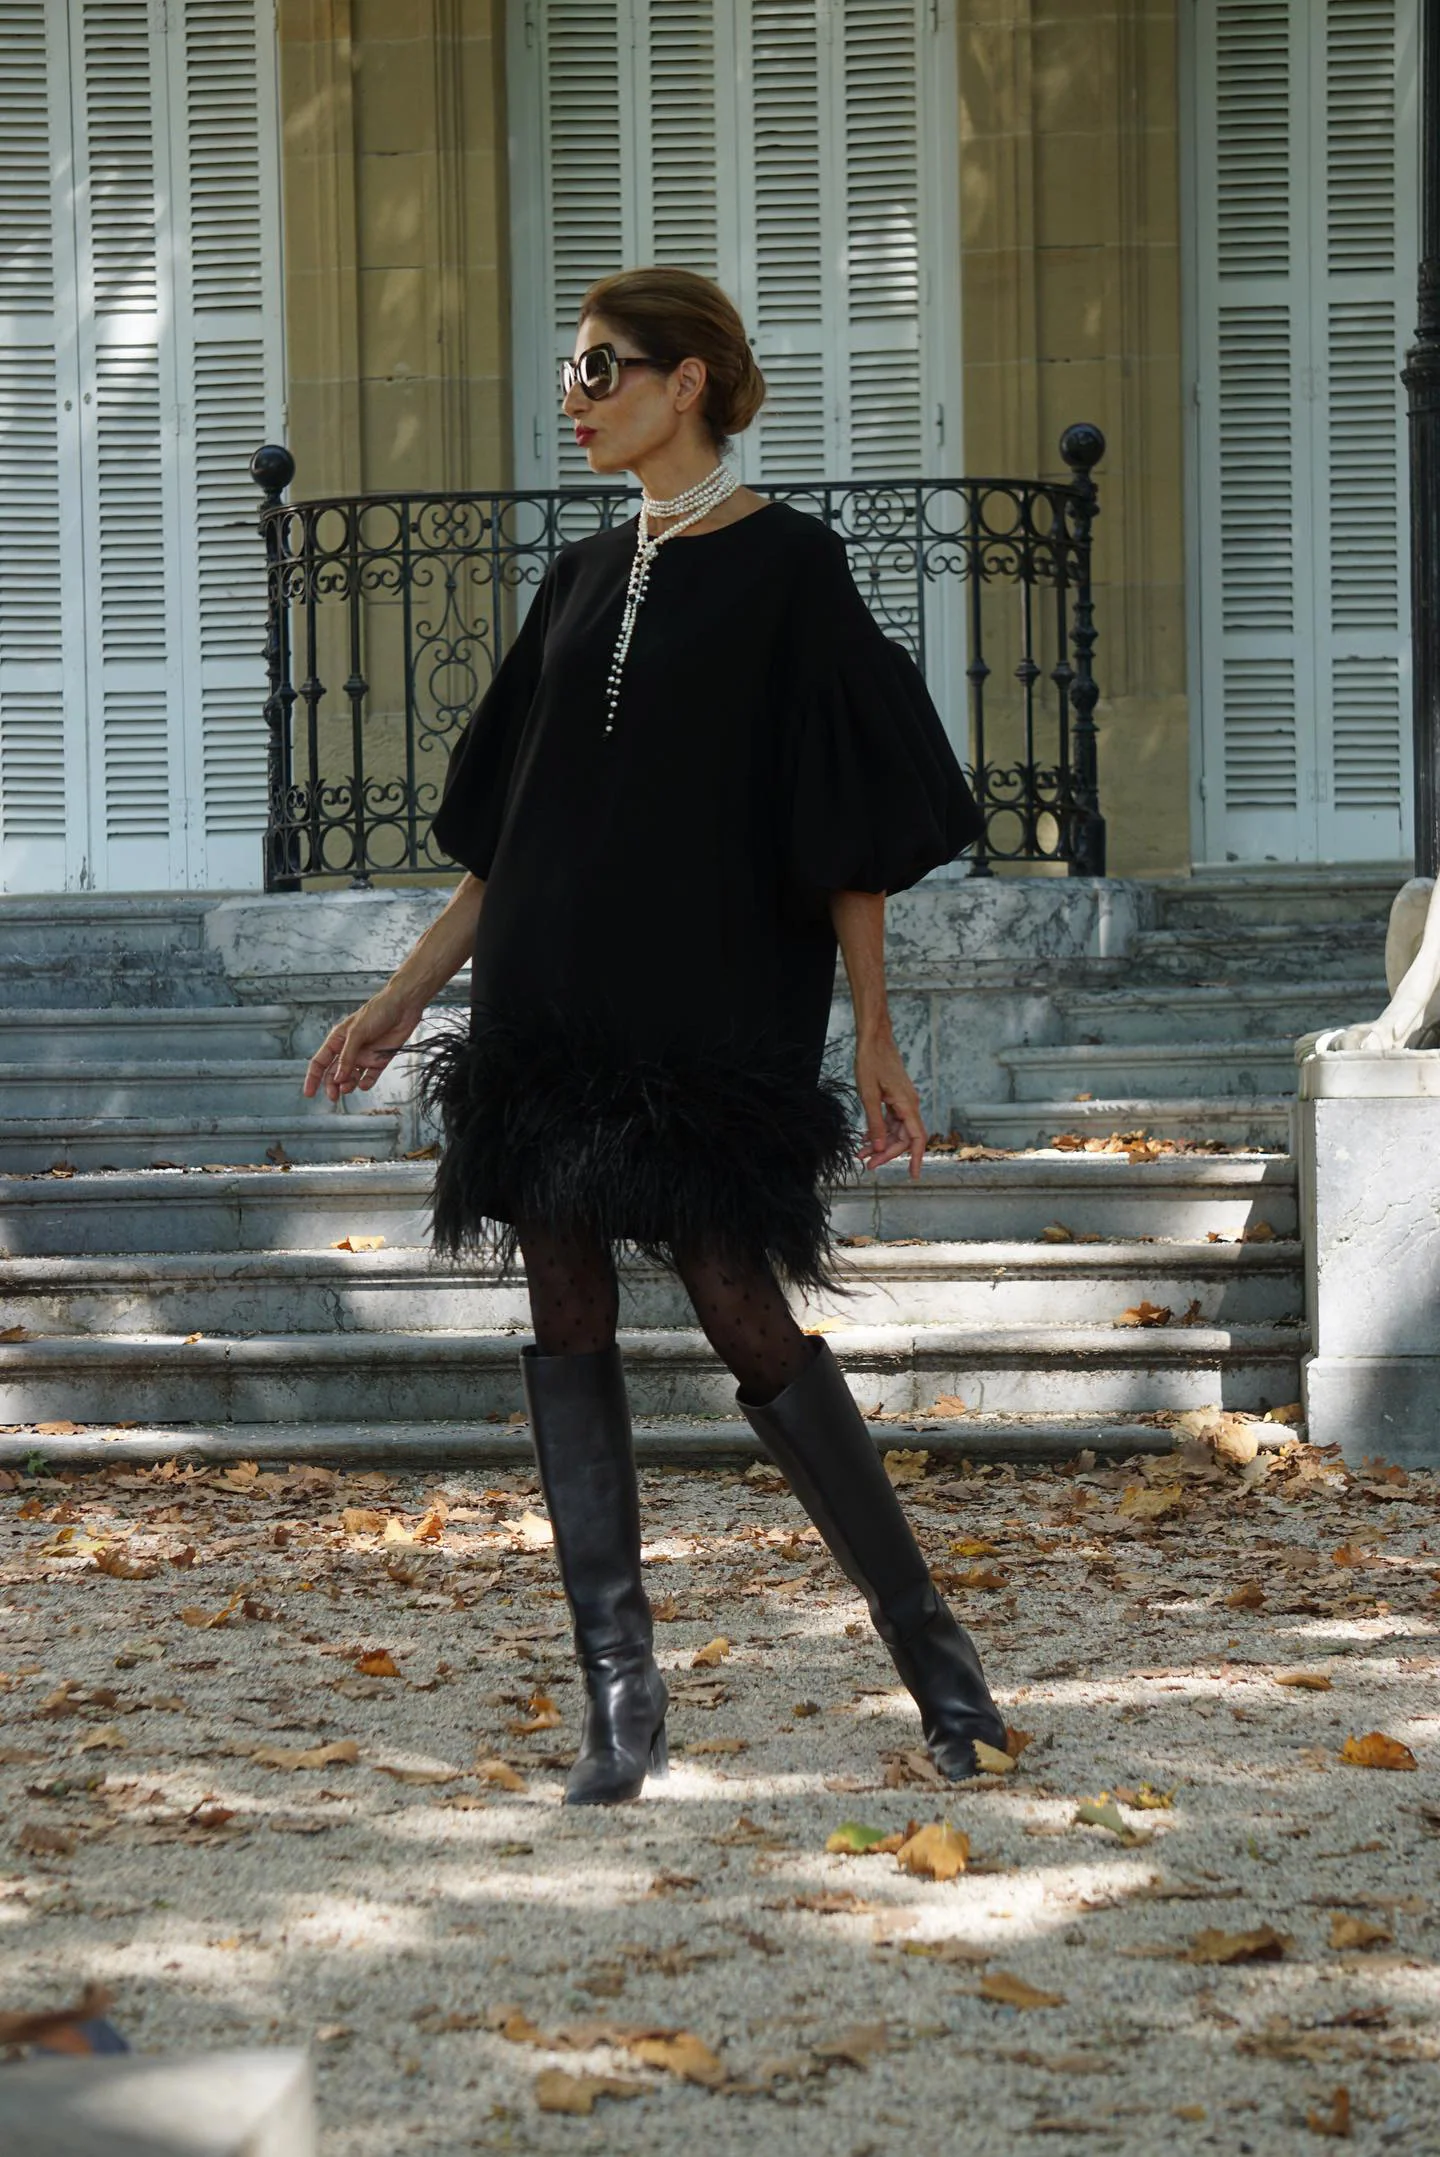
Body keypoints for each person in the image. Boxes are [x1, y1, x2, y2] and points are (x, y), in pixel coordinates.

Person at [303, 265, 1008, 1807]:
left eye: (600, 368)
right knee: (563, 1311)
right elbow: (508, 842)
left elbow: (846, 827)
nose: (574, 395)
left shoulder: (792, 568)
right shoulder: (575, 577)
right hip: (545, 1001)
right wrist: (403, 994)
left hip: (707, 1004)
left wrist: (878, 1031)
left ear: (686, 382)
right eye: (571, 369)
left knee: (741, 1305)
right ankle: (620, 1701)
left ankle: (940, 1668)